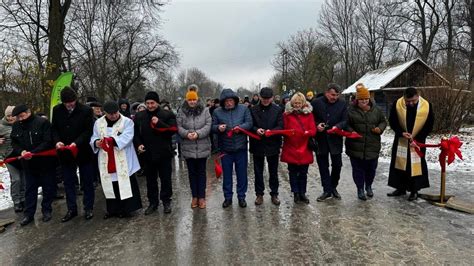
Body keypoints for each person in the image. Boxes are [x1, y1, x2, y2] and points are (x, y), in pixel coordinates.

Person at [90, 101, 142, 218]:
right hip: (106, 158)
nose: (113, 116)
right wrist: (96, 142)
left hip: (122, 156)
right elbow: (94, 136)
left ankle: (127, 209)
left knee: (125, 182)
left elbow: (128, 137)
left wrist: (111, 141)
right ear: (105, 113)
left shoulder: (127, 122)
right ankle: (112, 209)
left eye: (115, 113)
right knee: (110, 183)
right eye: (110, 114)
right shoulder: (99, 123)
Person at [52, 87, 96, 222]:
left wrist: (76, 143)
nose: (69, 105)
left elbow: (88, 131)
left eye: (71, 102)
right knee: (69, 182)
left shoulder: (86, 110)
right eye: (67, 103)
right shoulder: (57, 110)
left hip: (82, 150)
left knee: (87, 181)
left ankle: (88, 208)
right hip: (65, 152)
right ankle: (72, 209)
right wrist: (58, 141)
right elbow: (54, 129)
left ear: (75, 100)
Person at [10, 105, 56, 226]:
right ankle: (28, 214)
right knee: (30, 190)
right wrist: (21, 151)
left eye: (22, 116)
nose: (20, 119)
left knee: (48, 188)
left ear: (28, 112)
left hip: (44, 162)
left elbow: (48, 141)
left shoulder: (42, 122)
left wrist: (34, 152)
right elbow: (14, 142)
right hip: (28, 164)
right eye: (18, 117)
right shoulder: (16, 126)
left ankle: (46, 210)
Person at [387, 87, 434, 201]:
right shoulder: (397, 104)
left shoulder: (427, 106)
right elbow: (392, 121)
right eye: (408, 101)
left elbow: (429, 124)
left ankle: (414, 190)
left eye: (413, 101)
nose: (411, 103)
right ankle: (400, 188)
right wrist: (401, 132)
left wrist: (417, 138)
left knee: (415, 165)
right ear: (404, 98)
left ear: (418, 96)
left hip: (418, 140)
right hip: (401, 139)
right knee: (400, 164)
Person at [134, 91, 177, 214]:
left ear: (157, 102)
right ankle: (153, 203)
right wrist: (139, 144)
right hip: (148, 154)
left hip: (164, 153)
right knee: (150, 180)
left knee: (166, 179)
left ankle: (166, 201)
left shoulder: (167, 114)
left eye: (152, 103)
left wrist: (158, 122)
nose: (150, 106)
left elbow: (172, 130)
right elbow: (135, 134)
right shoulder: (140, 116)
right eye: (147, 103)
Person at [345, 84, 386, 200]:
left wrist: (380, 128)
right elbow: (345, 124)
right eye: (361, 99)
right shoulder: (350, 111)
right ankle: (360, 189)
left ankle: (368, 186)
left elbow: (383, 122)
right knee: (358, 170)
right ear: (357, 99)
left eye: (366, 99)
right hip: (355, 146)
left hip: (372, 145)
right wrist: (351, 131)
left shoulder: (376, 110)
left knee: (371, 169)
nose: (364, 101)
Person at [212, 88, 253, 208]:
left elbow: (249, 123)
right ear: (223, 102)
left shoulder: (244, 109)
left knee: (242, 174)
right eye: (226, 101)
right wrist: (218, 127)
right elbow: (212, 127)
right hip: (226, 149)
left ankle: (241, 197)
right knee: (227, 175)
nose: (229, 103)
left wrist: (240, 127)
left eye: (231, 100)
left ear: (235, 100)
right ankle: (228, 198)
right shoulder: (217, 112)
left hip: (241, 148)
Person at [311, 83, 347, 201]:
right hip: (321, 139)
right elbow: (310, 119)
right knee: (323, 166)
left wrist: (338, 126)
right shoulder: (316, 103)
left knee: (337, 165)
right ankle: (326, 190)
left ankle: (333, 187)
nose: (334, 97)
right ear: (326, 93)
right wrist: (317, 125)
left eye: (337, 95)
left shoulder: (342, 104)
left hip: (335, 139)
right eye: (332, 95)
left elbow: (345, 120)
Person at [177, 88, 212, 209]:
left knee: (201, 173)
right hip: (188, 146)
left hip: (202, 146)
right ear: (187, 100)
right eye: (190, 99)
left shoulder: (205, 111)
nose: (192, 102)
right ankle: (194, 197)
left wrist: (198, 133)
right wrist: (187, 134)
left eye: (194, 99)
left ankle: (202, 197)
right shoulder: (182, 111)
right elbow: (179, 126)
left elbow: (208, 125)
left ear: (197, 99)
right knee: (192, 173)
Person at [249, 87, 283, 205]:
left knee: (273, 171)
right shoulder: (253, 110)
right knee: (258, 171)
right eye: (264, 98)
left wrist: (271, 131)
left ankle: (274, 193)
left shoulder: (277, 110)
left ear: (272, 98)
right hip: (257, 143)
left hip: (272, 143)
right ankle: (259, 194)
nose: (266, 101)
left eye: (268, 99)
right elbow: (250, 125)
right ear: (260, 97)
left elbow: (281, 125)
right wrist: (256, 129)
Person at [281, 92, 316, 204]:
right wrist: (289, 133)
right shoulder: (287, 115)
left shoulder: (309, 114)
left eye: (299, 103)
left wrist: (307, 132)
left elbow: (313, 130)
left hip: (304, 146)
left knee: (303, 172)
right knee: (292, 172)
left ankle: (302, 193)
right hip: (291, 146)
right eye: (295, 103)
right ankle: (295, 192)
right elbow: (284, 129)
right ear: (292, 103)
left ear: (303, 103)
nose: (297, 105)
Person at [0, 106, 25, 212]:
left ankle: (23, 199)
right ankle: (16, 201)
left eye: (12, 116)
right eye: (8, 116)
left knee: (23, 178)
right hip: (9, 157)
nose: (10, 118)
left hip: (21, 155)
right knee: (16, 179)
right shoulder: (1, 126)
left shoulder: (21, 123)